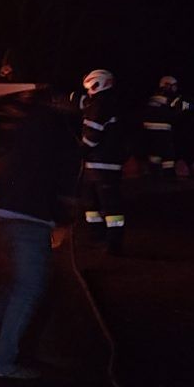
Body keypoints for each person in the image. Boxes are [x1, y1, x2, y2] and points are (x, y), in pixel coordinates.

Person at [0, 88, 80, 378]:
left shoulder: (27, 125)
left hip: (5, 213)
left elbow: (4, 161)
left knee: (15, 284)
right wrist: (63, 223)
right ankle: (4, 362)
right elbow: (64, 186)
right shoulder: (64, 136)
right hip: (32, 218)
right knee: (28, 289)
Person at [77, 69, 128, 254]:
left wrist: (78, 152)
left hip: (101, 165)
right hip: (102, 165)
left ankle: (110, 243)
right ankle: (101, 240)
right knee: (96, 206)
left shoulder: (101, 105)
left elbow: (92, 136)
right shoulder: (106, 103)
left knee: (105, 206)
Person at [137, 75, 187, 179]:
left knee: (154, 156)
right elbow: (180, 108)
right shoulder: (170, 98)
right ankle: (169, 178)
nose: (175, 88)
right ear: (167, 86)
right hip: (162, 132)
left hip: (149, 133)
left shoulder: (153, 97)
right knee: (168, 156)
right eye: (174, 86)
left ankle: (154, 177)